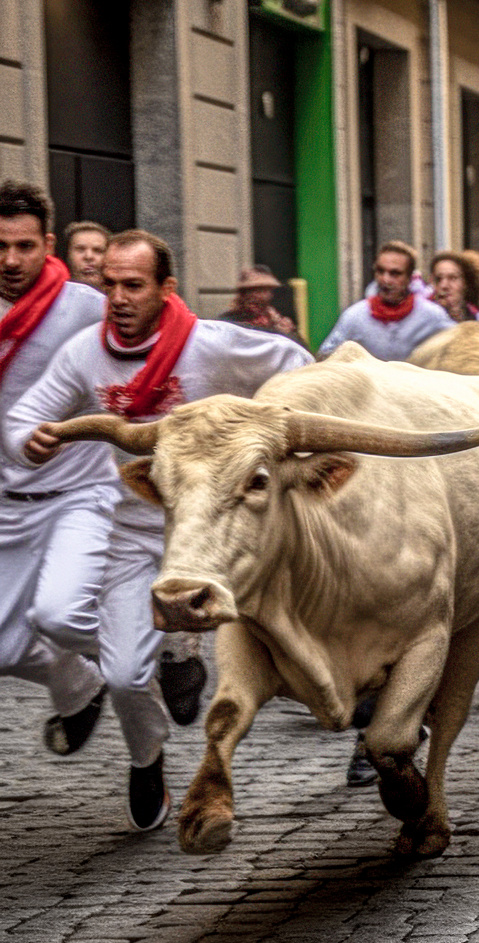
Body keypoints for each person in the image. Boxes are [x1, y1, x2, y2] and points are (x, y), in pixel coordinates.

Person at [6, 229, 309, 831]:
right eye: (109, 285)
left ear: (166, 288)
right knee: (108, 663)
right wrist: (28, 440)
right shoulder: (84, 353)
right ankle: (149, 755)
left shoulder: (213, 345)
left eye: (133, 286)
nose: (117, 297)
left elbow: (296, 365)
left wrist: (266, 436)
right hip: (126, 527)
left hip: (206, 532)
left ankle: (190, 655)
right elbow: (23, 414)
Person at [0, 181, 115, 766]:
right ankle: (80, 686)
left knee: (59, 611)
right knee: (2, 643)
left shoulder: (86, 308)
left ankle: (155, 655)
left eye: (24, 246)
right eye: (0, 246)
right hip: (6, 500)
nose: (11, 260)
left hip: (80, 491)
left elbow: (163, 345)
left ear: (47, 244)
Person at [318, 241, 456, 359]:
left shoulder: (431, 315)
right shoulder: (355, 316)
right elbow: (325, 358)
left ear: (409, 278)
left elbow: (460, 345)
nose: (386, 279)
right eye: (380, 271)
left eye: (395, 273)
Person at [217, 265, 305, 346]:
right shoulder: (228, 321)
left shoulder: (274, 319)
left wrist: (288, 334)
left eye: (265, 291)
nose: (259, 296)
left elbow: (300, 350)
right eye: (253, 291)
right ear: (242, 294)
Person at [429, 250, 479, 323]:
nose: (444, 285)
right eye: (438, 279)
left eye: (452, 278)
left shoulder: (478, 317)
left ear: (465, 282)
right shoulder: (424, 316)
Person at [62, 221, 108, 289]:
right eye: (80, 250)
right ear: (68, 255)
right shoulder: (54, 295)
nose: (88, 256)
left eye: (97, 250)